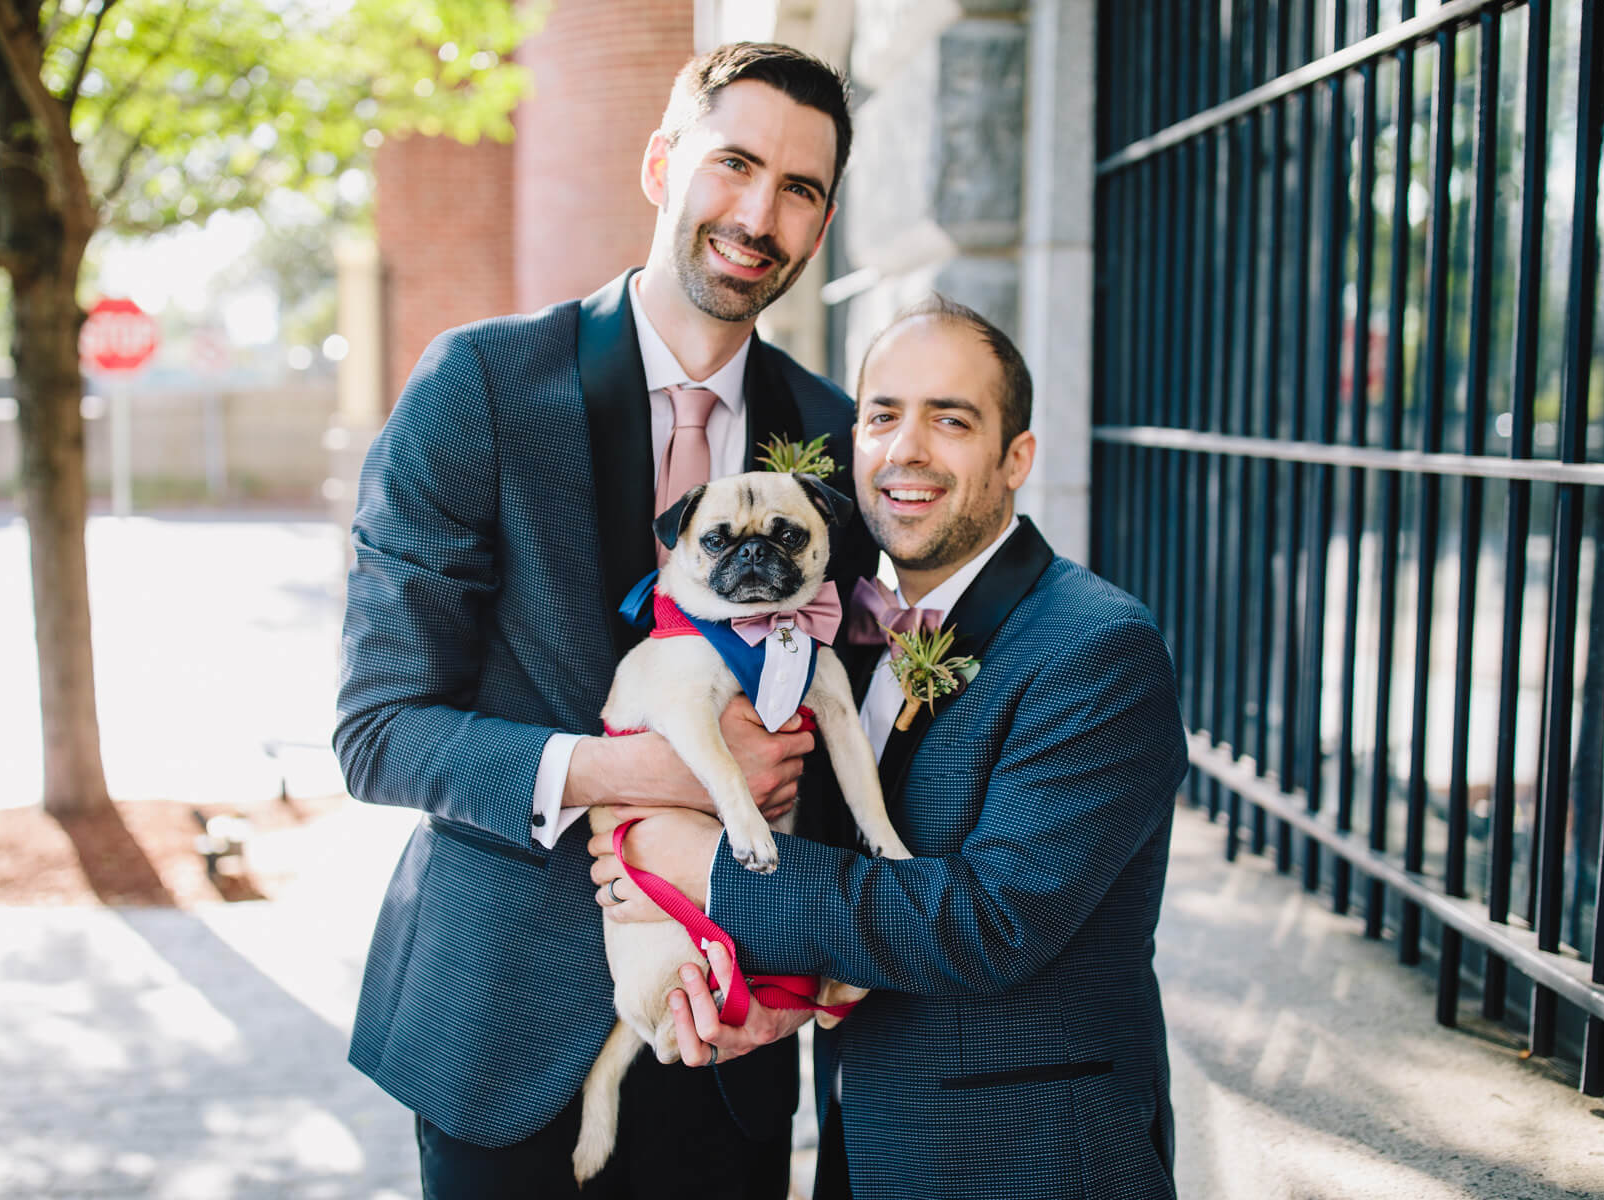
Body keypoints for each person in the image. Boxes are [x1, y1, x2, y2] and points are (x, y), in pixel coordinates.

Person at [333, 42, 875, 1200]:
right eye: (733, 164)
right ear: (660, 161)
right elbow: (380, 734)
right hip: (500, 1028)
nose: (758, 212)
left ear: (823, 222)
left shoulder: (832, 442)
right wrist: (651, 772)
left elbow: (851, 735)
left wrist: (802, 969)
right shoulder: (475, 388)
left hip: (727, 1032)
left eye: (800, 188)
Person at [590, 296, 1190, 1199]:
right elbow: (850, 883)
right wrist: (780, 996)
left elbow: (991, 924)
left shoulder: (1096, 646)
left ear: (1016, 457)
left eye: (951, 419)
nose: (907, 448)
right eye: (882, 415)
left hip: (1024, 1157)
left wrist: (702, 862)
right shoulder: (833, 638)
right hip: (863, 1140)